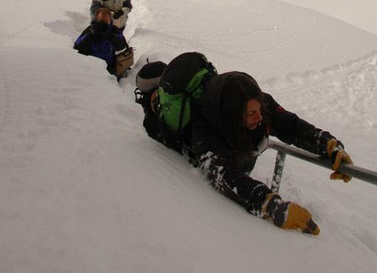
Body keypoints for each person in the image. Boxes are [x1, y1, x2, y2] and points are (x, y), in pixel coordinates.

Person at [135, 56, 353, 235]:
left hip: (239, 148)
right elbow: (223, 175)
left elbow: (291, 126)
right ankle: (153, 102)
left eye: (259, 110)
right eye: (251, 114)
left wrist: (329, 145)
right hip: (190, 145)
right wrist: (271, 205)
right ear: (233, 115)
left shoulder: (253, 99)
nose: (259, 117)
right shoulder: (203, 132)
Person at [74, 7, 134, 80]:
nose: (103, 24)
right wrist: (91, 34)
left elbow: (123, 48)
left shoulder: (114, 31)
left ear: (110, 20)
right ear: (96, 20)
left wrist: (110, 37)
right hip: (91, 67)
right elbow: (77, 46)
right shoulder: (90, 30)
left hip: (109, 68)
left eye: (105, 21)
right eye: (101, 21)